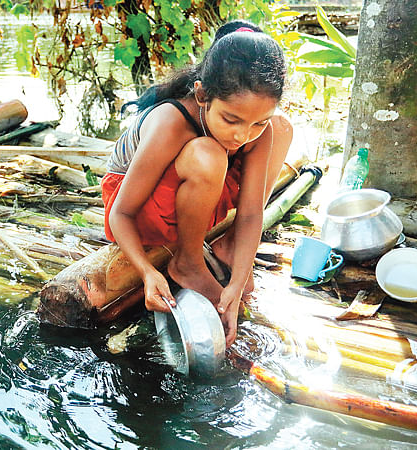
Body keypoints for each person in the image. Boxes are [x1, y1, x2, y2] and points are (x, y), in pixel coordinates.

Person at [101, 20, 293, 346]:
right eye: (230, 120)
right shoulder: (170, 121)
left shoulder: (259, 129)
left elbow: (249, 214)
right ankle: (188, 262)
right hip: (139, 209)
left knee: (281, 129)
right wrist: (148, 272)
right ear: (203, 94)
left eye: (257, 123)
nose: (242, 135)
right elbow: (121, 214)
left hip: (197, 198)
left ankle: (226, 247)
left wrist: (238, 281)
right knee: (209, 154)